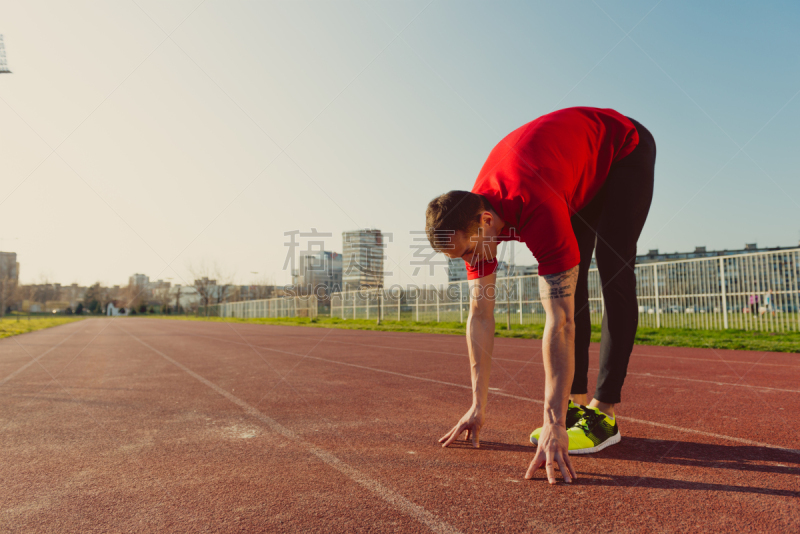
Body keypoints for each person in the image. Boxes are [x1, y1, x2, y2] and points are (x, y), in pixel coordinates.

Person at [425, 107, 655, 484]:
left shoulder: (537, 205)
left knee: (612, 270)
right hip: (569, 165)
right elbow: (480, 315)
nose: (469, 261)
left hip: (621, 149)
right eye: (459, 258)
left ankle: (604, 409)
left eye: (468, 253)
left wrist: (552, 423)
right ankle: (575, 403)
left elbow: (559, 322)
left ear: (485, 221)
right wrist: (477, 406)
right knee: (573, 284)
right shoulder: (471, 223)